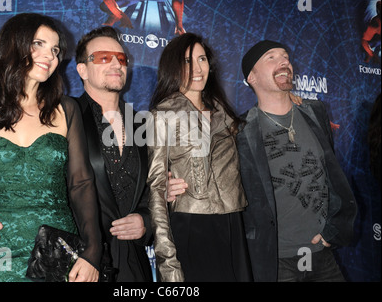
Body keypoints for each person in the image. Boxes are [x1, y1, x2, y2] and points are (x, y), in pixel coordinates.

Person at [0, 13, 101, 282]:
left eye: (55, 50)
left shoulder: (67, 110)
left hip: (55, 254)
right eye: (38, 44)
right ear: (14, 44)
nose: (50, 56)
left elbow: (81, 184)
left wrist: (93, 252)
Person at [236, 40, 357, 282]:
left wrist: (333, 228)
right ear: (252, 77)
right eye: (271, 57)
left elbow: (331, 177)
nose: (284, 61)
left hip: (320, 252)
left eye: (286, 57)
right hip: (276, 261)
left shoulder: (315, 112)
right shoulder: (240, 131)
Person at [147, 32, 253, 282]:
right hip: (191, 228)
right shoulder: (161, 116)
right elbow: (156, 191)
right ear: (172, 66)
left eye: (202, 59)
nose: (197, 68)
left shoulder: (225, 115)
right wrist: (168, 263)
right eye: (186, 61)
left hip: (232, 227)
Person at [74, 26, 154, 281]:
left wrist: (146, 221)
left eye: (121, 59)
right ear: (82, 69)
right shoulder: (64, 115)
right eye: (103, 58)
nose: (116, 64)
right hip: (81, 261)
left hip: (133, 264)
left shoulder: (142, 124)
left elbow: (154, 188)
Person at [100, 0, 185, 35]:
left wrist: (179, 25)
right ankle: (113, 16)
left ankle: (179, 28)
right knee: (105, 6)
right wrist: (120, 15)